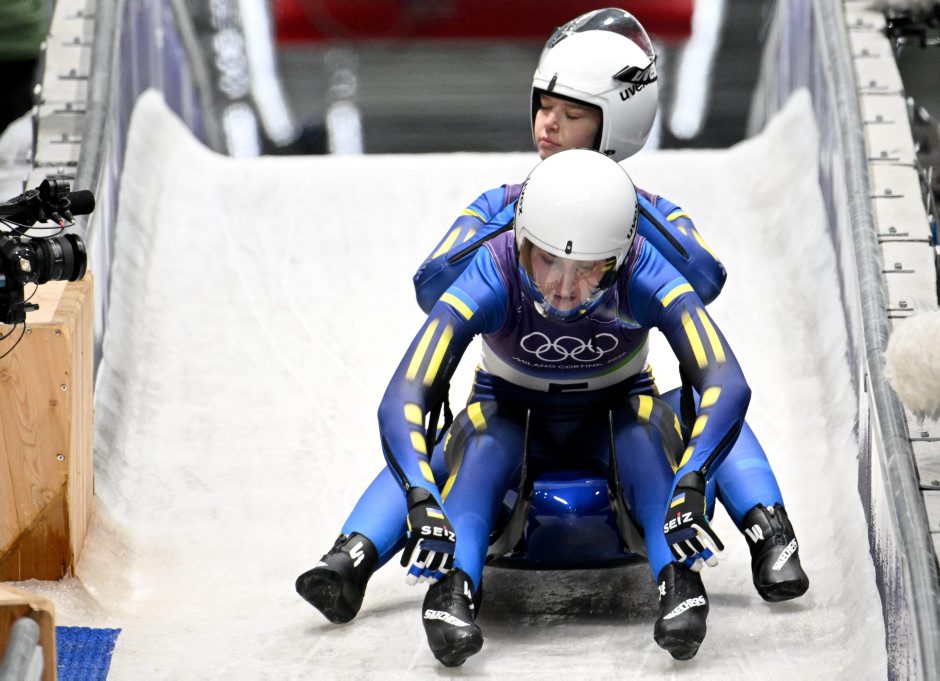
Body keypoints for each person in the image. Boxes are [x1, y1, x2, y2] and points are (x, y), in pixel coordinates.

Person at [297, 7, 807, 624]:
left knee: (666, 418)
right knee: (472, 439)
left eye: (571, 113)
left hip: (619, 409)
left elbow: (707, 287)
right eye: (544, 106)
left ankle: (764, 535)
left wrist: (623, 216)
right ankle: (362, 557)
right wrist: (520, 223)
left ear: (614, 123)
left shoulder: (646, 240)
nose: (548, 124)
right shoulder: (501, 225)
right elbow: (430, 293)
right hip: (509, 409)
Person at [379, 148, 750, 664]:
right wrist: (421, 495)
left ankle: (679, 581)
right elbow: (405, 392)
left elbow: (726, 380)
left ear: (618, 259)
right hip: (508, 412)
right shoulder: (494, 268)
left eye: (588, 268)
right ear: (521, 241)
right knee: (485, 443)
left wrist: (690, 480)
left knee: (643, 434)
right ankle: (451, 590)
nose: (563, 287)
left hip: (617, 411)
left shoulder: (643, 267)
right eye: (547, 259)